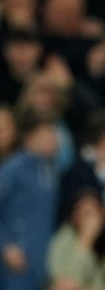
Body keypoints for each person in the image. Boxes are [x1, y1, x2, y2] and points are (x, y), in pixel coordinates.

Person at [0, 114, 59, 290]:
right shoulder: (12, 169)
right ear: (31, 137)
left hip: (42, 256)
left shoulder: (49, 170)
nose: (55, 140)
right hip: (18, 256)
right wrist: (6, 245)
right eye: (49, 135)